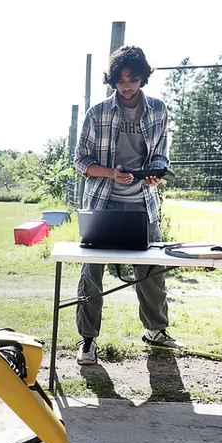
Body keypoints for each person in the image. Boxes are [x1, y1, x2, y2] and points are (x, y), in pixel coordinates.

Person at [73, 45, 173, 367]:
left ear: (143, 77)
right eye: (121, 79)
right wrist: (110, 173)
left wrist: (155, 173)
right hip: (103, 202)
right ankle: (88, 341)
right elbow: (80, 160)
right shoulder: (96, 113)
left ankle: (156, 331)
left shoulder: (158, 110)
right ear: (113, 80)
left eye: (132, 78)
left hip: (143, 204)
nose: (126, 85)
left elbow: (160, 153)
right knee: (92, 272)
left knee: (152, 271)